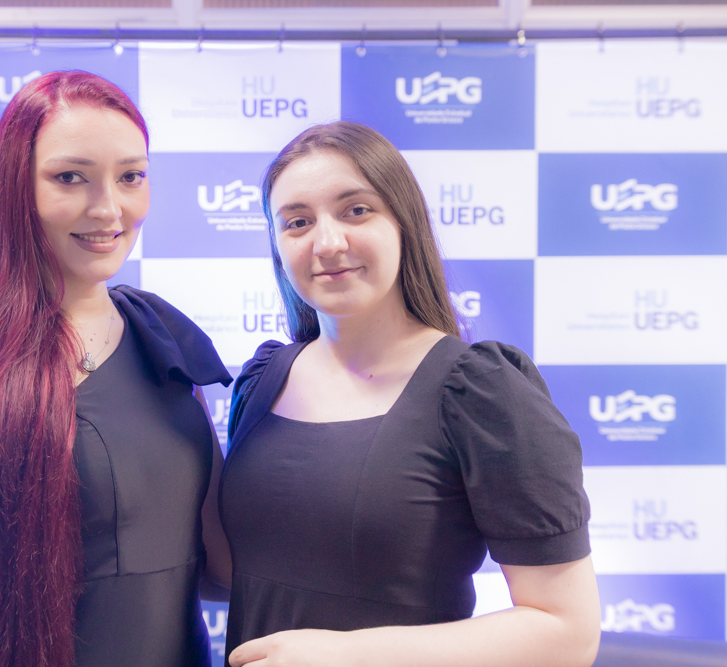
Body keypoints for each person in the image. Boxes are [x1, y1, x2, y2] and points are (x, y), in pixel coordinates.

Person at [219, 121, 600, 667]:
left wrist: (348, 656)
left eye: (356, 210)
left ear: (404, 222)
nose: (328, 242)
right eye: (297, 222)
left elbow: (568, 632)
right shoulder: (262, 380)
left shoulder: (480, 391)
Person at [0, 71, 232, 667]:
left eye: (131, 176)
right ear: (17, 188)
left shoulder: (165, 342)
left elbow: (221, 565)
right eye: (70, 177)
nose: (109, 208)